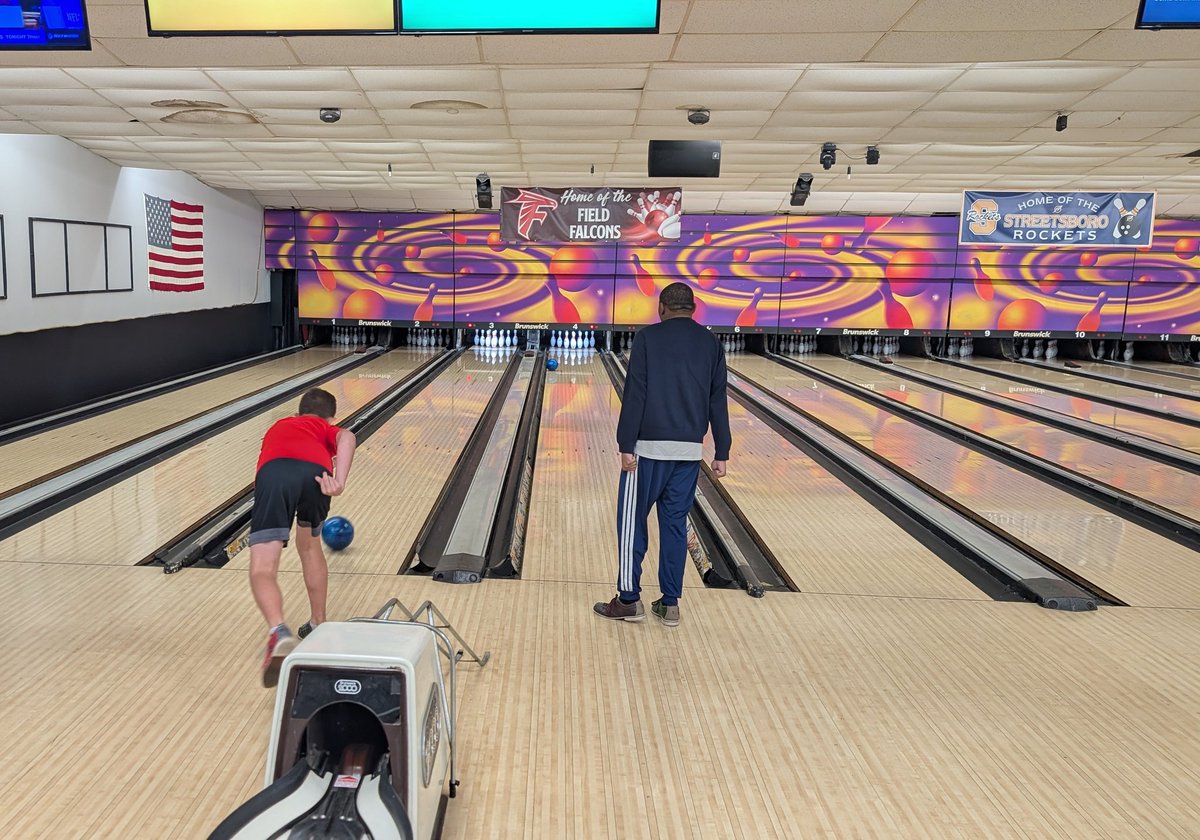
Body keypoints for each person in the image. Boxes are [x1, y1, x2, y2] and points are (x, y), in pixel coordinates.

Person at [595, 282, 731, 627]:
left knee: (632, 523)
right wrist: (722, 450)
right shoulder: (711, 343)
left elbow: (635, 394)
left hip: (648, 450)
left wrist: (626, 444)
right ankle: (670, 604)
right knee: (674, 526)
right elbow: (718, 400)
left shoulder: (647, 339)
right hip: (688, 453)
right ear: (694, 308)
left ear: (662, 308)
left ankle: (628, 599)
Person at [249, 387, 356, 687]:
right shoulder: (327, 429)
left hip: (276, 474)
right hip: (317, 476)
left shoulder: (280, 425)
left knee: (262, 567)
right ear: (331, 417)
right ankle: (317, 621)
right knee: (309, 547)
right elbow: (347, 437)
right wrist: (340, 481)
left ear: (298, 413)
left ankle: (278, 632)